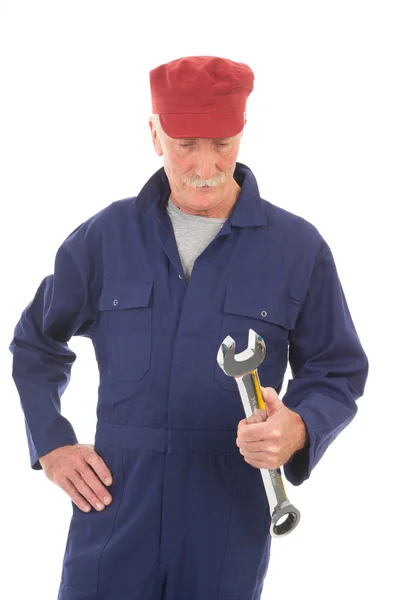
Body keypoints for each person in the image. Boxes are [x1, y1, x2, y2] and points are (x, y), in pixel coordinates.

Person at [9, 55, 369, 600]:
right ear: (155, 135)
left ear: (242, 134)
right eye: (185, 144)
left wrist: (298, 428)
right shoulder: (104, 238)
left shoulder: (297, 249)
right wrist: (52, 444)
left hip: (227, 504)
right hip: (115, 500)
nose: (205, 167)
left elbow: (337, 371)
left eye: (222, 143)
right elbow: (35, 342)